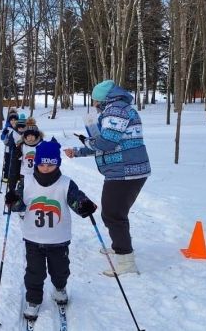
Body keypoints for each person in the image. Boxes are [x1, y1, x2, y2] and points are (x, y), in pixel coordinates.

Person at [63, 80, 151, 276]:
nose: (94, 104)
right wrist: (78, 151)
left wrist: (87, 140)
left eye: (95, 99)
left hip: (126, 171)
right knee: (116, 213)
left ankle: (125, 260)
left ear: (103, 98)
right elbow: (105, 143)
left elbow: (107, 143)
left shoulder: (116, 110)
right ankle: (120, 246)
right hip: (125, 170)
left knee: (112, 214)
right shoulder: (115, 110)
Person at [4, 139, 97, 320]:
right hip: (33, 238)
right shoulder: (27, 182)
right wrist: (12, 201)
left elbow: (76, 199)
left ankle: (59, 288)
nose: (46, 167)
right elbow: (19, 205)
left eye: (51, 163)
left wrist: (84, 205)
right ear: (37, 162)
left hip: (58, 239)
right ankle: (33, 299)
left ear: (57, 163)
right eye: (42, 163)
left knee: (60, 270)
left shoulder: (65, 183)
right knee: (34, 272)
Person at [4, 113, 26, 197]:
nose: (21, 128)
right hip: (15, 157)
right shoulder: (13, 133)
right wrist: (7, 140)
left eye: (23, 126)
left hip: (24, 158)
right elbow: (8, 143)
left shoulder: (27, 134)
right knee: (13, 173)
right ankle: (12, 191)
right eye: (19, 126)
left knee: (22, 174)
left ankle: (22, 189)